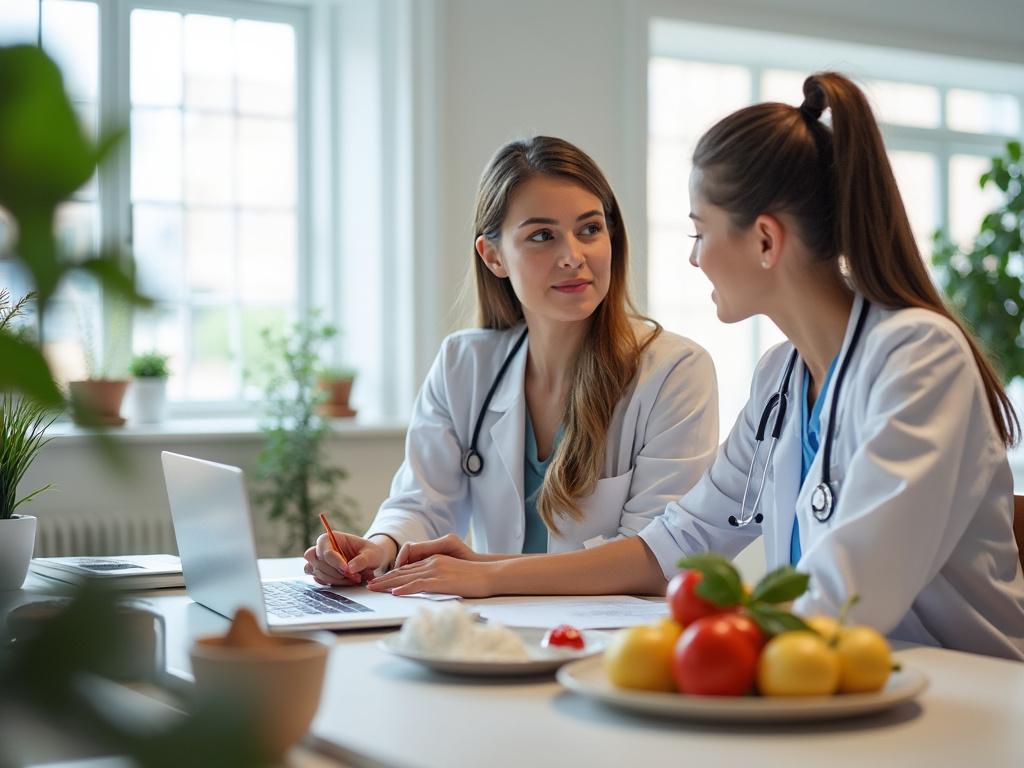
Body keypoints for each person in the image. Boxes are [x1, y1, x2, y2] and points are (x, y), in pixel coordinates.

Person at [357, 73, 1024, 660]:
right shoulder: (781, 380)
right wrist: (490, 572)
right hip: (849, 688)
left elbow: (847, 596)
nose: (693, 257)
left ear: (764, 240)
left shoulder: (919, 358)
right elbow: (674, 542)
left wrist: (691, 655)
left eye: (700, 231)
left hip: (962, 700)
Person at [304, 136, 719, 584]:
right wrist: (380, 546)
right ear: (494, 256)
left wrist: (489, 575)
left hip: (613, 643)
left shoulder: (675, 371)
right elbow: (422, 503)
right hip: (492, 637)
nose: (573, 257)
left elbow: (658, 560)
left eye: (590, 229)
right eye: (542, 236)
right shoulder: (464, 364)